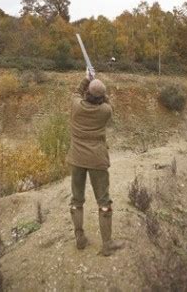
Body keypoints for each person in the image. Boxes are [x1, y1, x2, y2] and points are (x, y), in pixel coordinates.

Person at [66, 68, 124, 256]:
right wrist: (101, 89)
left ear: (87, 94)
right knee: (104, 201)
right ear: (100, 98)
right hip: (97, 160)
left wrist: (87, 78)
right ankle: (107, 244)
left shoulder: (75, 106)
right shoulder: (105, 111)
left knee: (77, 199)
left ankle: (80, 238)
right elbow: (108, 102)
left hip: (77, 159)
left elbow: (76, 92)